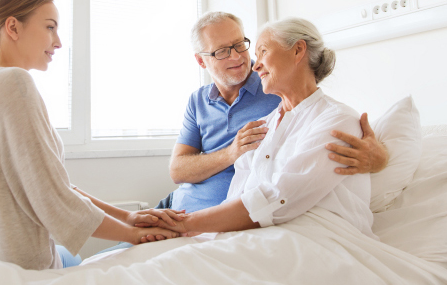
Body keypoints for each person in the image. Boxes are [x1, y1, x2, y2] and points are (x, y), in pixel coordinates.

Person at [0, 0, 179, 271]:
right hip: (6, 265)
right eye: (50, 27)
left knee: (71, 257)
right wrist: (134, 235)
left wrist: (127, 217)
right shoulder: (13, 82)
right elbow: (51, 196)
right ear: (13, 27)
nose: (58, 42)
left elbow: (51, 184)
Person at [160, 17, 375, 237]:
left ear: (298, 51)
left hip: (223, 224)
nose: (254, 63)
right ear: (201, 61)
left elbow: (280, 196)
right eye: (222, 51)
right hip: (185, 210)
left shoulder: (326, 115)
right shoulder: (267, 121)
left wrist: (186, 226)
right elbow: (183, 172)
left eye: (244, 46)